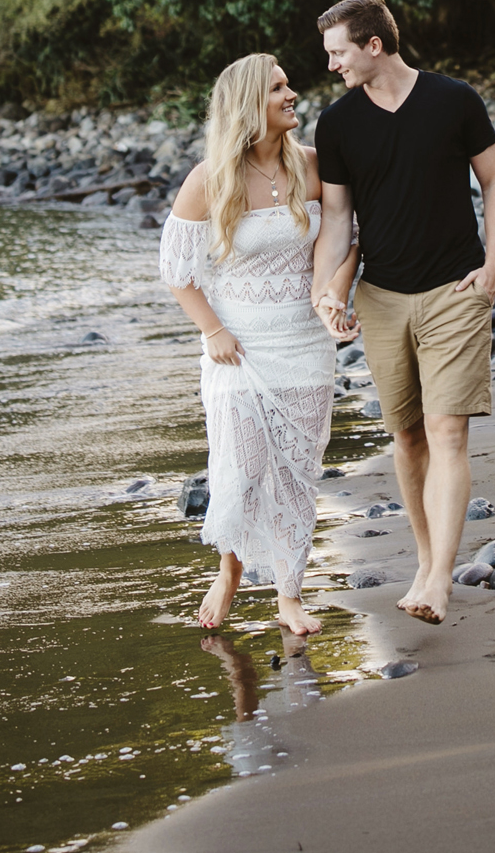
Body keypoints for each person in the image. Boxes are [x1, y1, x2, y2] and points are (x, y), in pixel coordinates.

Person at [309, 0, 495, 625]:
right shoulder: (337, 125)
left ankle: (441, 580)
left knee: (449, 430)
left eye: (339, 52)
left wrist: (492, 269)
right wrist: (326, 292)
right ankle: (425, 561)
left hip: (455, 291)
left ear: (374, 45)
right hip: (382, 296)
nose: (333, 65)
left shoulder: (454, 100)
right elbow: (338, 218)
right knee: (407, 435)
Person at [161, 53, 358, 635]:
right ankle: (229, 571)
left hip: (303, 344)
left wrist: (333, 298)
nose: (292, 93)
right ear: (249, 104)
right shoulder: (210, 178)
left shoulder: (315, 167)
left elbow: (347, 242)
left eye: (288, 85)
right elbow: (178, 270)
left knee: (296, 472)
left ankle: (290, 594)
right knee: (241, 467)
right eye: (278, 88)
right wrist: (213, 331)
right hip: (238, 350)